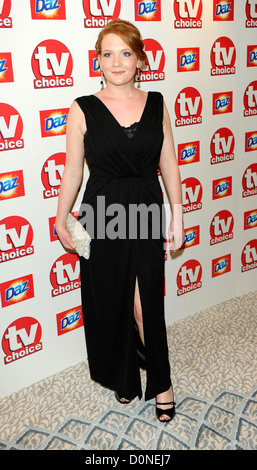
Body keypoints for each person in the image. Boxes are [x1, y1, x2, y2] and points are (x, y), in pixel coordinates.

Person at [55, 19, 184, 423]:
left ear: (140, 59)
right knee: (111, 301)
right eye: (107, 54)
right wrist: (62, 220)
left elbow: (169, 165)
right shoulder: (82, 108)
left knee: (146, 305)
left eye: (125, 53)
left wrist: (178, 215)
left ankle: (161, 383)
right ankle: (124, 377)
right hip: (102, 214)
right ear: (98, 60)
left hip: (145, 209)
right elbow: (73, 173)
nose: (117, 61)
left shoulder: (157, 102)